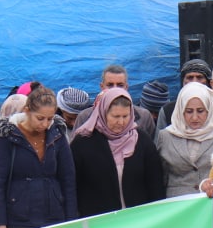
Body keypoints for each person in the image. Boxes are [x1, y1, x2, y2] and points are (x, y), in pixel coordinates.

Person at [0, 83, 76, 228]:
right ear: (27, 111)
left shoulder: (57, 134)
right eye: (40, 118)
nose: (45, 124)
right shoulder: (8, 136)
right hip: (17, 219)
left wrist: (71, 219)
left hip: (53, 217)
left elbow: (68, 180)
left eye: (50, 119)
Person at [71, 88, 165, 217]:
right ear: (103, 113)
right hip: (100, 220)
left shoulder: (142, 141)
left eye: (125, 116)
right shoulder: (83, 143)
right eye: (115, 116)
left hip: (138, 218)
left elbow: (155, 183)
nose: (121, 122)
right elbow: (74, 185)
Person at [155, 81, 213, 197]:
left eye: (200, 111)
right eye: (189, 111)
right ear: (181, 111)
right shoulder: (166, 136)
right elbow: (161, 177)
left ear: (209, 110)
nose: (195, 117)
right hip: (178, 203)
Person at [72, 65, 156, 138]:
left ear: (126, 87)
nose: (115, 89)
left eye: (120, 85)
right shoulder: (85, 117)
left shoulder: (144, 116)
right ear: (102, 87)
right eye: (110, 85)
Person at [156, 59, 213, 130]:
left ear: (208, 82)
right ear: (183, 82)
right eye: (190, 78)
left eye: (199, 77)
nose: (194, 82)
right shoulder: (168, 110)